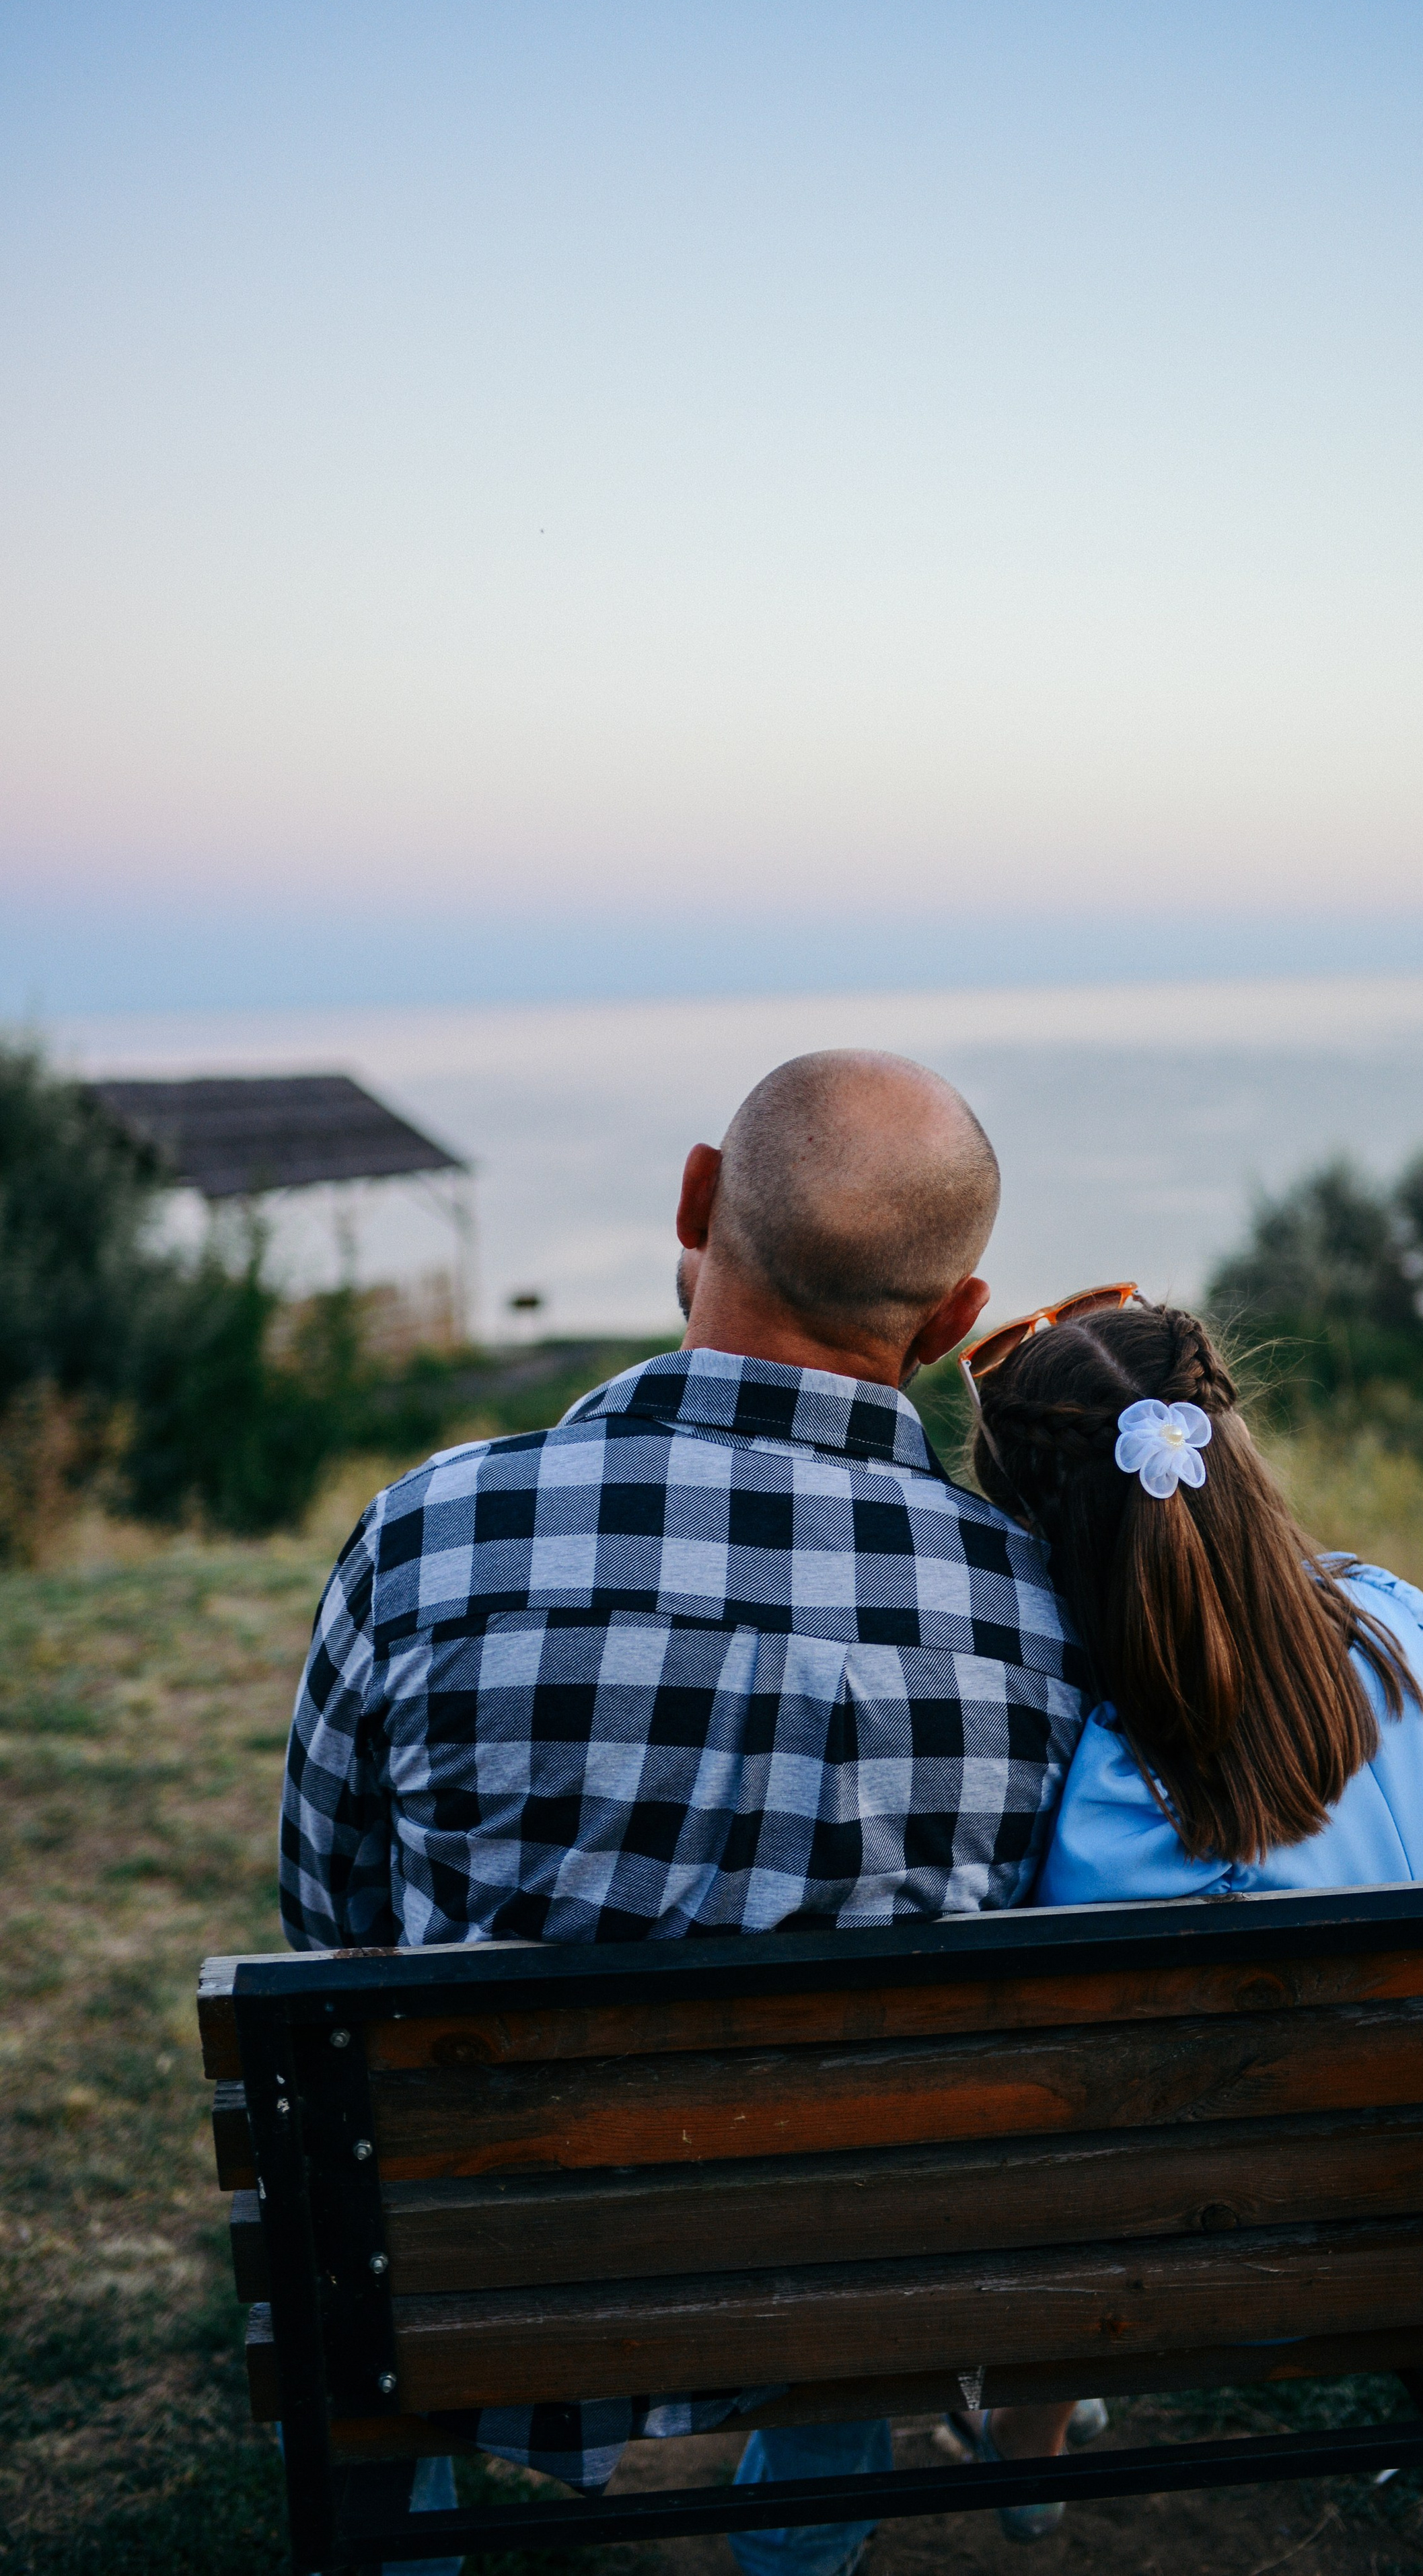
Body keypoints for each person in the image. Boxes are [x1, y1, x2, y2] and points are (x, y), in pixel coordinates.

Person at [279, 1050, 1089, 2576]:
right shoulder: (1038, 1611)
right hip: (847, 2271)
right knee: (877, 2163)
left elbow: (327, 1924)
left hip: (477, 2255)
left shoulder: (435, 1535)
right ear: (953, 1319)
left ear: (696, 1196)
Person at [951, 1287, 1423, 2530]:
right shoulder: (1399, 1622)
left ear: (1039, 1525)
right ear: (1232, 1449)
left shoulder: (1120, 1786)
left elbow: (1079, 2060)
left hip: (1243, 2247)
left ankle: (1025, 2450)